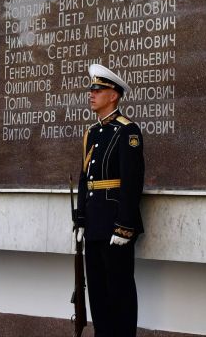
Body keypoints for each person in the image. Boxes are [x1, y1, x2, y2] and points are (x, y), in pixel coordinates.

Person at [74, 63, 144, 337]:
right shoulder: (91, 133)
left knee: (120, 292)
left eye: (98, 90)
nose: (91, 94)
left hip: (115, 225)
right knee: (98, 294)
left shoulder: (127, 131)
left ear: (113, 95)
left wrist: (124, 226)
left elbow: (132, 181)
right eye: (91, 89)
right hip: (94, 224)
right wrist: (81, 218)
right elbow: (85, 179)